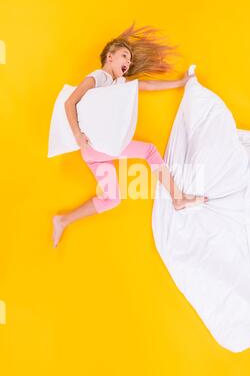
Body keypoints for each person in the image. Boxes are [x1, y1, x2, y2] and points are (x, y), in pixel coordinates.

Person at [52, 23, 208, 247]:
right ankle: (177, 197)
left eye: (130, 60)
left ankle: (63, 220)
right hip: (96, 146)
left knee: (112, 199)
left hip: (95, 154)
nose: (128, 62)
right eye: (124, 56)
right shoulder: (99, 77)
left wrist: (181, 83)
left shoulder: (118, 83)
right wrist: (78, 136)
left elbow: (146, 86)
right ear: (110, 56)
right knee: (149, 151)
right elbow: (70, 102)